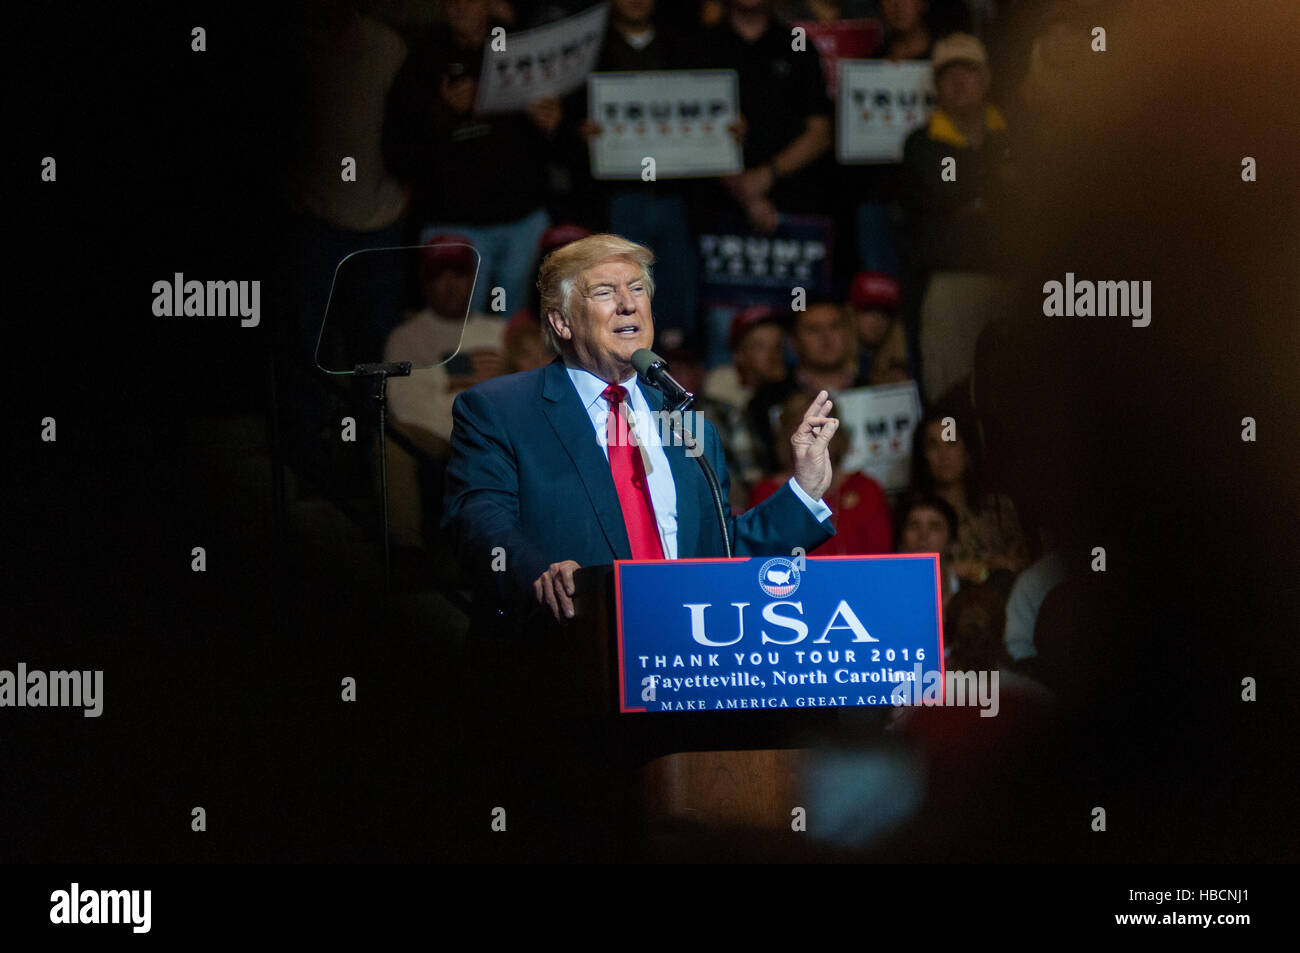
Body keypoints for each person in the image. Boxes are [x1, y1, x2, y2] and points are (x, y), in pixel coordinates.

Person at [442, 234, 841, 629]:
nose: (628, 304)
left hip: (680, 654)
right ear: (561, 322)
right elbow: (478, 520)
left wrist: (804, 490)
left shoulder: (687, 427)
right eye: (604, 292)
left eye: (636, 289)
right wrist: (539, 573)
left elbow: (721, 552)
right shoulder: (501, 409)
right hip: (571, 650)